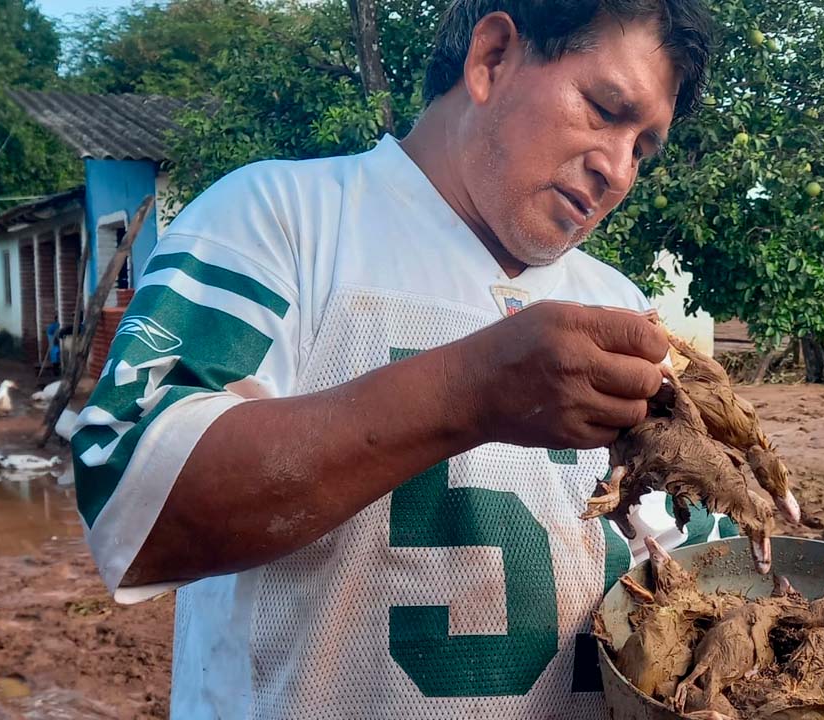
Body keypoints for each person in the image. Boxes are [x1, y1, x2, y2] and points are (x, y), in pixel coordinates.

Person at [70, 1, 720, 717]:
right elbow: (130, 506)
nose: (617, 170)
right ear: (493, 57)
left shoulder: (618, 303)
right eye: (603, 109)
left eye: (643, 149)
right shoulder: (281, 220)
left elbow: (682, 565)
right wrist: (471, 391)